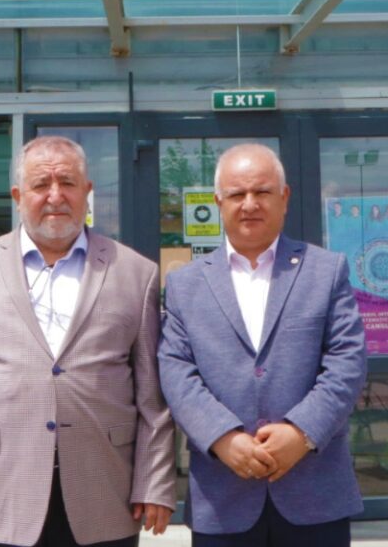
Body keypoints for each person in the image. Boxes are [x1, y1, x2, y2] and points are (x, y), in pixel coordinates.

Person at [0, 136, 176, 546]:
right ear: (18, 196)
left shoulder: (135, 273)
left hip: (104, 490)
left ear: (87, 192)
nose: (55, 196)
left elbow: (153, 396)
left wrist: (155, 482)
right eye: (41, 184)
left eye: (68, 183)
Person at [158, 144, 368, 546]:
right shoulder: (185, 284)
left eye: (262, 192)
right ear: (218, 202)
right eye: (237, 194)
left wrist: (301, 433)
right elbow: (176, 372)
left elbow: (348, 362)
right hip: (222, 498)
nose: (250, 204)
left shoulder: (326, 271)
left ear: (284, 198)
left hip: (314, 494)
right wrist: (222, 438)